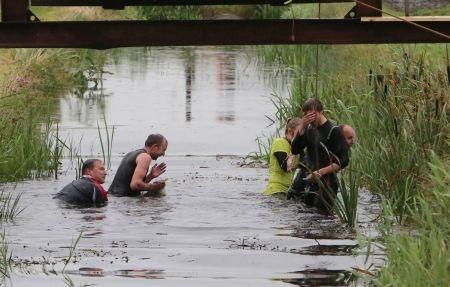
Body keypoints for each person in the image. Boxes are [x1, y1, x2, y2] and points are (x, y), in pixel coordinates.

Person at [287, 99, 350, 213]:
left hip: (326, 183)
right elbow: (295, 149)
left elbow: (343, 161)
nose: (310, 119)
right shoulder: (308, 128)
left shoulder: (334, 131)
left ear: (321, 112)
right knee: (297, 210)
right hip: (307, 178)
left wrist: (321, 172)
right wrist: (301, 127)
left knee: (319, 217)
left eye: (313, 115)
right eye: (307, 116)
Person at [263, 117, 303, 198]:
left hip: (287, 191)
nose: (302, 135)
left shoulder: (298, 148)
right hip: (275, 190)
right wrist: (293, 152)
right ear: (290, 131)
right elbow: (286, 167)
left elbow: (306, 165)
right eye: (299, 133)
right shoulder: (280, 142)